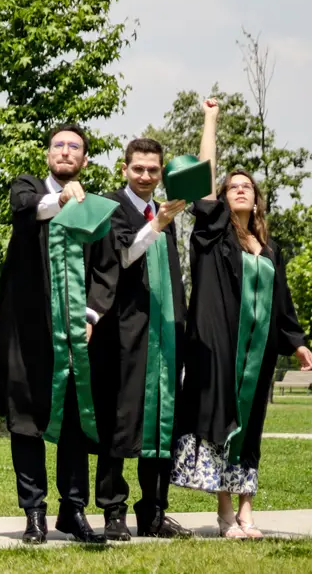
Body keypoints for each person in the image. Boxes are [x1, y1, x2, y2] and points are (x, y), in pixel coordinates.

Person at [172, 98, 312, 538]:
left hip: (259, 355)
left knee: (250, 428)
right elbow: (203, 184)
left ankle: (248, 515)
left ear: (256, 199)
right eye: (232, 186)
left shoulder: (269, 249)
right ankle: (225, 514)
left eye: (246, 187)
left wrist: (299, 342)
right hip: (219, 349)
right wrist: (210, 118)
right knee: (222, 424)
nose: (238, 190)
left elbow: (283, 303)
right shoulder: (213, 236)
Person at [0, 123, 118, 545]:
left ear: (84, 160)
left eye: (74, 147)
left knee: (74, 424)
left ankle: (74, 510)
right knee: (26, 422)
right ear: (49, 155)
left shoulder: (95, 207)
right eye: (58, 145)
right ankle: (34, 513)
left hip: (77, 336)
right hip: (27, 333)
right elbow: (27, 209)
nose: (65, 152)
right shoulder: (27, 188)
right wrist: (59, 198)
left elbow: (106, 267)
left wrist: (91, 314)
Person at [89, 136, 193, 540]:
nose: (146, 176)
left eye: (153, 170)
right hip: (123, 335)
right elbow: (121, 260)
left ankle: (153, 511)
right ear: (124, 169)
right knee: (120, 422)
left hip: (164, 335)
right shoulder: (112, 208)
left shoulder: (165, 211)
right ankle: (113, 510)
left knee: (161, 423)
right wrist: (156, 225)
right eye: (139, 169)